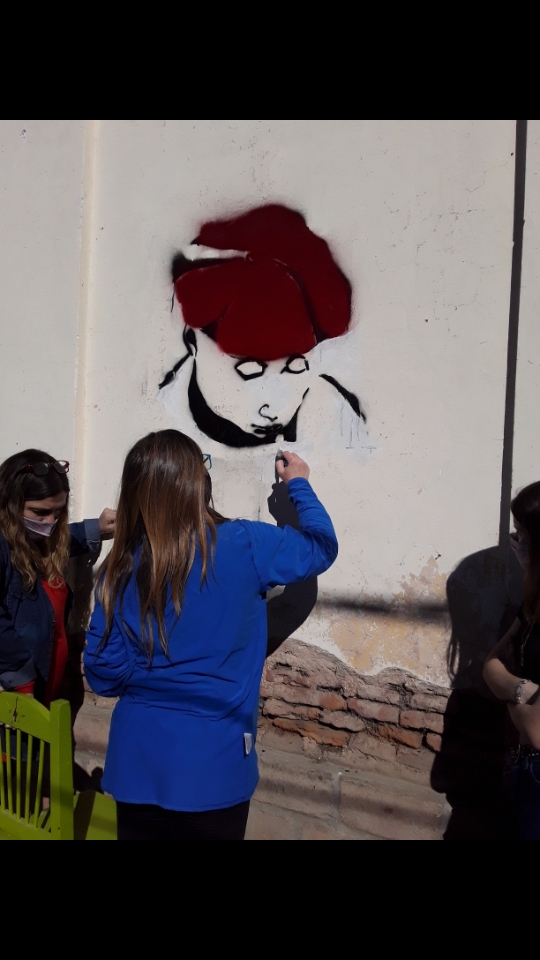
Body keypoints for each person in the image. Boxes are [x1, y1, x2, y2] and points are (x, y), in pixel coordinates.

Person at [83, 429, 338, 840]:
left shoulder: (120, 567)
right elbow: (321, 547)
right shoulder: (246, 545)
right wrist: (299, 485)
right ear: (199, 485)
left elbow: (103, 676)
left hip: (135, 766)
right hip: (215, 771)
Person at [158, 204, 365, 447]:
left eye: (296, 368)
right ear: (192, 341)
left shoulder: (340, 425)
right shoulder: (158, 421)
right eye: (249, 371)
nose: (272, 409)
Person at [0, 449, 116, 706]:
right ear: (9, 505)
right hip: (17, 695)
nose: (50, 522)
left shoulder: (40, 540)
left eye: (58, 512)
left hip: (44, 688)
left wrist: (95, 528)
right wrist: (20, 680)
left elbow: (59, 539)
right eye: (39, 512)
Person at [483, 480, 540, 839]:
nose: (516, 543)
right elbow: (492, 664)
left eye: (522, 535)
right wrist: (522, 690)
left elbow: (536, 730)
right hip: (523, 770)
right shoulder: (533, 603)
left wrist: (513, 705)